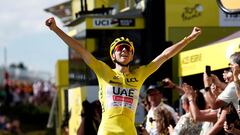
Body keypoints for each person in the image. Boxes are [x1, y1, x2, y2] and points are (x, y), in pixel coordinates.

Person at [45, 17, 201, 135]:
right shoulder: (104, 71)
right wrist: (55, 29)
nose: (124, 50)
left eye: (128, 49)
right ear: (113, 55)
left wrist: (189, 38)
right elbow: (81, 50)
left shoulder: (139, 74)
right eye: (120, 48)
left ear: (132, 56)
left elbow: (164, 55)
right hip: (107, 131)